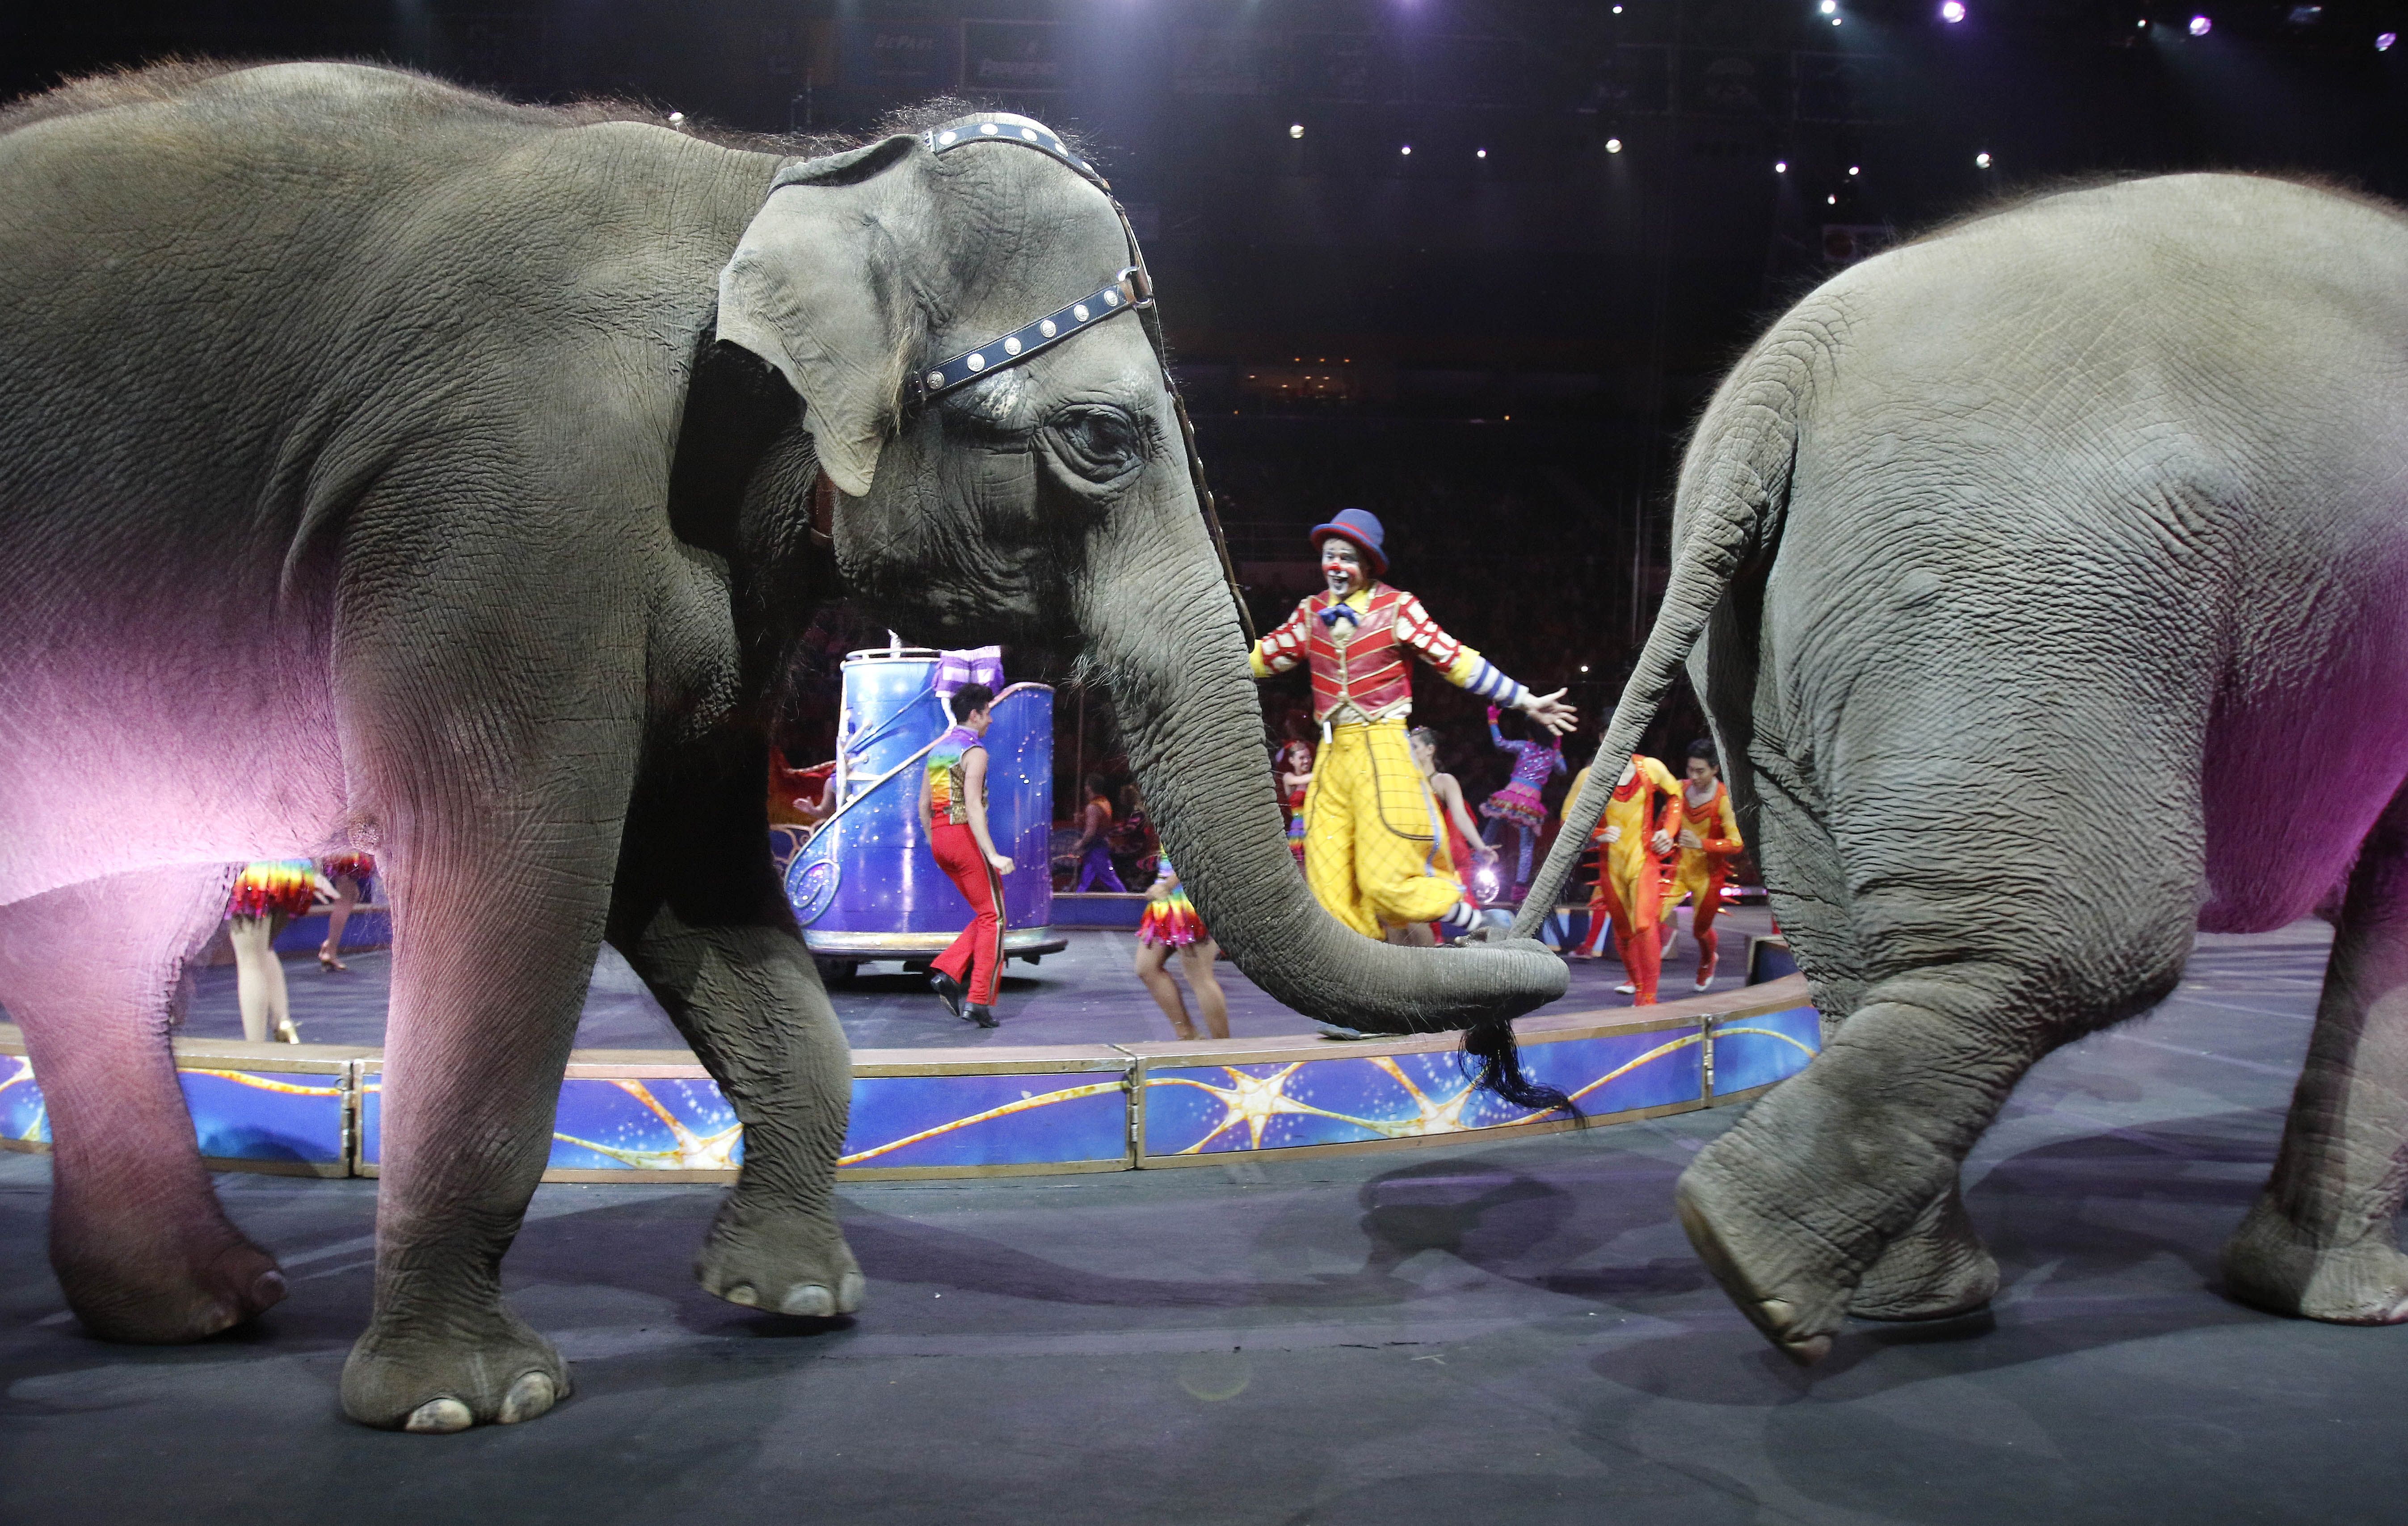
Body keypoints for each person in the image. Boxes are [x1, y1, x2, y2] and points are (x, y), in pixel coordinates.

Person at [1248, 507, 1575, 941]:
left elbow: (1456, 659)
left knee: (1387, 883)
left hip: (1382, 752)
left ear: (1368, 562)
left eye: (1347, 556)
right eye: (1330, 555)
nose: (1337, 566)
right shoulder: (1311, 613)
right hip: (1332, 758)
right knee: (1329, 888)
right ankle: (1366, 976)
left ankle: (1473, 921)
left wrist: (1524, 699)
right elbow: (1261, 658)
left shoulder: (1398, 608)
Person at [920, 683, 1014, 1029]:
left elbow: (924, 806)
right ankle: (978, 1000)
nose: (990, 720)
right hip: (964, 837)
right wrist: (991, 853)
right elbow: (973, 806)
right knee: (996, 919)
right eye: (988, 713)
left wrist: (937, 842)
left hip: (942, 840)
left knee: (987, 914)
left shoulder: (938, 750)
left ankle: (948, 970)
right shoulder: (975, 752)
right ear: (974, 715)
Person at [1565, 754, 1682, 1005]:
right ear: (1602, 737)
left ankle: (1649, 997)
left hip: (1644, 861)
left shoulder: (1651, 768)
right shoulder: (1590, 775)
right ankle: (1639, 987)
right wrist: (1598, 833)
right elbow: (1568, 818)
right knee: (1624, 934)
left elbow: (1675, 795)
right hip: (1612, 867)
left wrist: (1669, 831)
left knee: (1644, 924)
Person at [1663, 739, 1745, 991]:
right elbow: (1663, 823)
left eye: (1701, 771)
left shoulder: (1723, 800)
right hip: (1679, 870)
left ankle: (1709, 959)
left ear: (1715, 770)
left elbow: (1737, 844)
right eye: (1690, 770)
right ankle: (1640, 978)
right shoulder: (1679, 789)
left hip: (1709, 876)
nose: (1694, 776)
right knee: (1648, 917)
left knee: (1701, 931)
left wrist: (1703, 844)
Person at [1133, 855, 1229, 1041]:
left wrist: (1167, 885)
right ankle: (1188, 1034)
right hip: (1166, 899)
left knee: (1200, 976)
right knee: (1146, 968)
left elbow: (1199, 854)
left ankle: (1224, 1048)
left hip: (1193, 896)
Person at [1478, 704, 1566, 902]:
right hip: (1529, 804)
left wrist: (1493, 720)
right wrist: (1558, 749)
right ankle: (1518, 892)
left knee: (1490, 833)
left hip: (1509, 796)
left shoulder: (1525, 746)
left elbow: (1500, 743)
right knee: (1526, 847)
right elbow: (1563, 770)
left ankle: (1475, 866)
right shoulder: (1551, 755)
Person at [227, 858, 320, 1042]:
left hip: (254, 870)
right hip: (294, 870)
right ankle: (283, 1023)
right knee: (264, 949)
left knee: (250, 963)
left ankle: (256, 1050)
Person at [1411, 726, 1498, 905]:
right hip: (1412, 858)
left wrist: (1481, 847)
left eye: (1414, 747)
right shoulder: (1404, 782)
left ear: (1430, 750)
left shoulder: (1444, 781)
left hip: (1439, 858)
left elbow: (1460, 816)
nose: (1409, 752)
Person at [316, 851, 375, 973]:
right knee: (346, 896)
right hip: (342, 849)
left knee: (351, 895)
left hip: (344, 848)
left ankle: (330, 946)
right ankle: (330, 949)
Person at [1067, 774, 1124, 892]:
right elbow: (1099, 821)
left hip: (1097, 848)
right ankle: (1078, 899)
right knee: (1086, 880)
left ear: (1088, 788)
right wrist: (1082, 819)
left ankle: (1125, 898)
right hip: (1096, 847)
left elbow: (1091, 832)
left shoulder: (1093, 807)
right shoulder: (1105, 803)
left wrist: (1080, 844)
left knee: (1109, 878)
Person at [1275, 721, 1316, 867]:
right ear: (1292, 760)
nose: (1306, 761)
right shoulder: (1289, 778)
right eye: (1302, 758)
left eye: (1308, 757)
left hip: (1317, 827)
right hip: (1299, 832)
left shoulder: (1314, 776)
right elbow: (1303, 779)